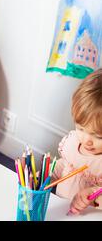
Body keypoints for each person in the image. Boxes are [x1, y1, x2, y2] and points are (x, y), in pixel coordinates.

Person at [51, 69, 102, 215]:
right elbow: (65, 165)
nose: (87, 140)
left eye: (98, 136)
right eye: (81, 128)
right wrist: (47, 174)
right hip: (59, 208)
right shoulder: (73, 142)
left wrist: (94, 194)